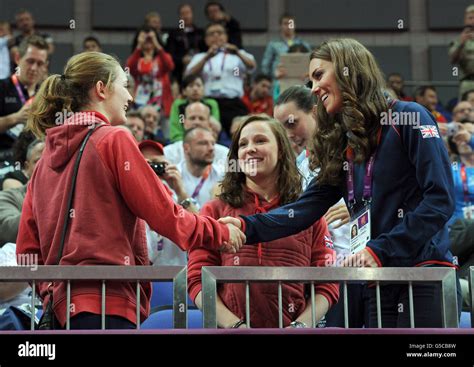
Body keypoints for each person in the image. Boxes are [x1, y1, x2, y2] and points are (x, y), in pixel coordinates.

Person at [220, 38, 461, 328]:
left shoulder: (409, 117)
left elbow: (440, 200)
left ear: (349, 69)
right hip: (378, 277)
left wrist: (380, 250)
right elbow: (303, 210)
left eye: (319, 75)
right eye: (310, 81)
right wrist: (247, 226)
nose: (314, 88)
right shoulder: (344, 142)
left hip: (424, 274)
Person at [16, 51, 245, 330]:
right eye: (125, 86)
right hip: (108, 305)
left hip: (59, 313)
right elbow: (163, 213)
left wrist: (52, 291)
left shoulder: (43, 161)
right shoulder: (114, 138)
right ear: (102, 89)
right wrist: (219, 233)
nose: (130, 97)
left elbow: (27, 249)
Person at [188, 115, 338, 328]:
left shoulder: (309, 213)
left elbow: (327, 281)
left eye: (260, 141)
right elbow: (197, 280)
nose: (250, 148)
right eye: (243, 144)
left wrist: (300, 327)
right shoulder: (214, 210)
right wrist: (236, 327)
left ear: (282, 151)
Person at [185, 22, 256, 137]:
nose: (216, 36)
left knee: (240, 135)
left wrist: (237, 52)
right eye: (212, 34)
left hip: (232, 103)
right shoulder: (200, 57)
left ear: (226, 36)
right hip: (209, 102)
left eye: (219, 33)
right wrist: (207, 57)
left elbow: (252, 66)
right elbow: (189, 75)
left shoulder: (237, 55)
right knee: (207, 135)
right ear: (206, 39)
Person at [0, 35, 48, 162]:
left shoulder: (47, 95)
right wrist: (14, 118)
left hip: (36, 162)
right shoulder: (2, 87)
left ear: (45, 66)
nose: (34, 68)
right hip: (3, 159)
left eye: (40, 63)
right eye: (30, 61)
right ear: (17, 58)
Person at [164, 101, 229, 167]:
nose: (196, 122)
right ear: (185, 123)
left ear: (209, 123)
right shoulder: (169, 152)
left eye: (201, 118)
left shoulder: (224, 153)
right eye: (192, 118)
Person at [169, 74, 220, 142]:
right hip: (183, 142)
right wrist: (184, 143)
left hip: (206, 140)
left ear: (203, 89)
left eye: (198, 85)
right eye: (191, 86)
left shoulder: (211, 104)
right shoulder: (178, 105)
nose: (195, 89)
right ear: (184, 91)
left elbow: (214, 127)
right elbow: (176, 130)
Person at [166, 4, 206, 83]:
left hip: (199, 69)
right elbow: (169, 55)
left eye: (188, 13)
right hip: (179, 71)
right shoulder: (174, 34)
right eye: (183, 14)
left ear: (192, 14)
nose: (186, 16)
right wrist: (181, 60)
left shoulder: (200, 33)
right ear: (179, 17)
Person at [449, 5, 474, 100]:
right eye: (470, 18)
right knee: (465, 109)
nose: (472, 20)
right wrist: (461, 44)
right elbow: (452, 59)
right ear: (465, 20)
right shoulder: (459, 40)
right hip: (467, 82)